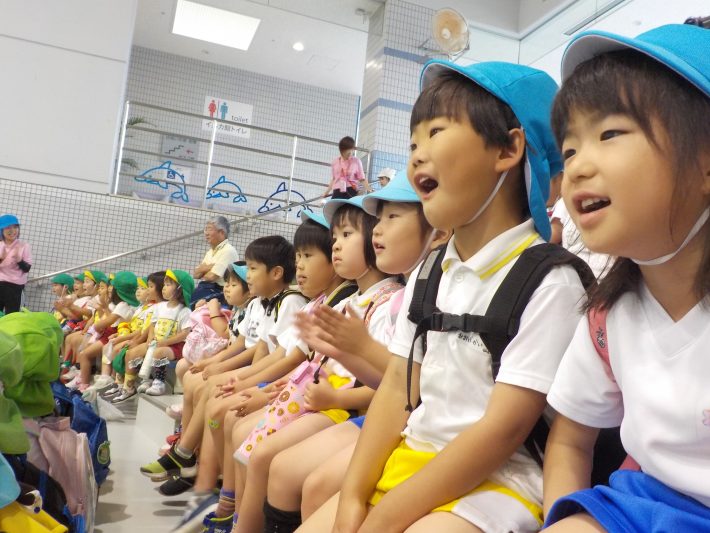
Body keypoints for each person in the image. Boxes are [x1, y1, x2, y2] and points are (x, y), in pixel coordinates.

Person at [300, 59, 587, 532]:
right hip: (416, 459)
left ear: (510, 148)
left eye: (436, 132)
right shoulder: (432, 269)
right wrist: (352, 496)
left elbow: (502, 432)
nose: (415, 155)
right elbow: (396, 388)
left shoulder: (549, 282)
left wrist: (384, 518)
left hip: (497, 482)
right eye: (413, 140)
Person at [542, 23, 710, 532]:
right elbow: (570, 440)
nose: (575, 169)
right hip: (643, 504)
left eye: (610, 133)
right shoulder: (606, 319)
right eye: (569, 150)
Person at [192, 216, 240, 308]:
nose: (206, 233)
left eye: (209, 229)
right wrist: (210, 267)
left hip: (219, 292)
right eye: (205, 229)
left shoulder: (228, 251)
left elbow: (211, 276)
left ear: (221, 232)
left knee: (193, 306)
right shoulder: (210, 252)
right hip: (207, 289)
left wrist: (204, 269)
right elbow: (196, 274)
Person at [0, 214, 32, 314]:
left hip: (15, 288)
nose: (12, 230)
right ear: (1, 230)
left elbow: (27, 268)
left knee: (12, 316)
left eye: (15, 227)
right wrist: (1, 258)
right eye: (8, 227)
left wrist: (19, 260)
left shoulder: (24, 246)